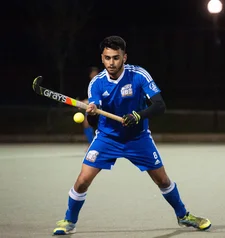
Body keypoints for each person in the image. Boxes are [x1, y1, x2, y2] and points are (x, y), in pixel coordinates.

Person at [53, 36, 211, 235]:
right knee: (83, 180)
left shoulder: (139, 75)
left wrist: (139, 115)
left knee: (162, 180)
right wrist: (91, 114)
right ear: (102, 58)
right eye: (107, 58)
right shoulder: (96, 84)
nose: (111, 63)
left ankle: (183, 216)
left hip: (138, 138)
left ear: (124, 57)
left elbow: (160, 105)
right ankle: (69, 221)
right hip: (107, 138)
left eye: (116, 58)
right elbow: (94, 123)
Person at [81, 67, 99, 144]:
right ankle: (91, 143)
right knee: (86, 124)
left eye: (96, 74)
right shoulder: (89, 84)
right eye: (93, 74)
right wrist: (82, 102)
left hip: (100, 106)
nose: (94, 75)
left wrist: (86, 101)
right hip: (91, 106)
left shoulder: (99, 83)